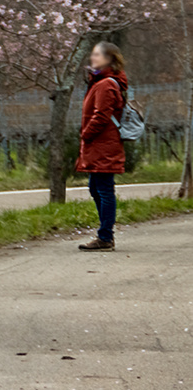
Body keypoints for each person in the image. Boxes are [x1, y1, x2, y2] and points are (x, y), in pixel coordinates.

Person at [76, 41, 127, 251]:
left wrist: (86, 134)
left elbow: (101, 115)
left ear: (109, 58)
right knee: (96, 188)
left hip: (102, 144)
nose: (92, 58)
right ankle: (105, 235)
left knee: (104, 190)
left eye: (97, 55)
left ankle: (105, 237)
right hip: (100, 144)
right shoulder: (102, 82)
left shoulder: (106, 84)